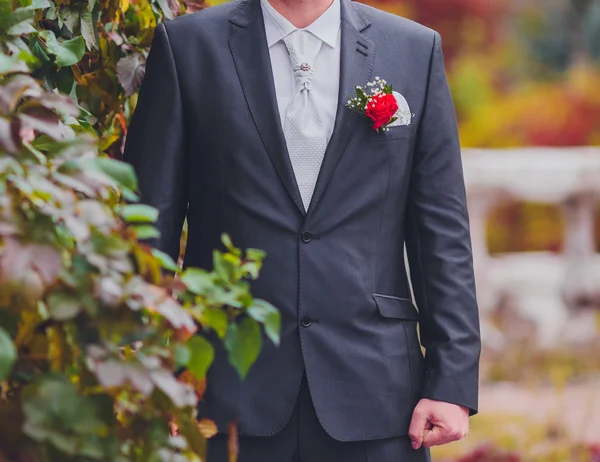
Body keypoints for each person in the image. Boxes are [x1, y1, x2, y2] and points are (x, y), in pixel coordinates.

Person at [123, 0, 481, 460]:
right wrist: (149, 367)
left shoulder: (414, 49)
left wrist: (451, 381)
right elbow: (149, 224)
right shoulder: (188, 46)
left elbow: (442, 235)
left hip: (376, 391)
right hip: (224, 389)